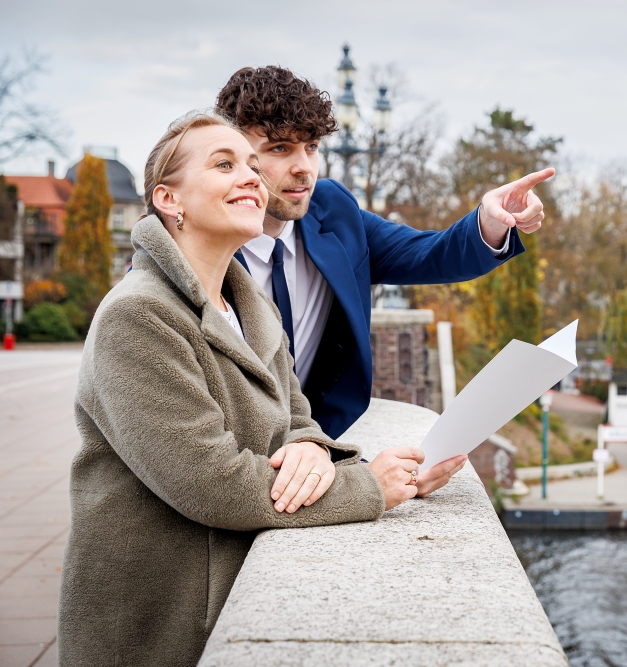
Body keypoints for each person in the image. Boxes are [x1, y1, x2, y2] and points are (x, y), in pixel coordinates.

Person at [59, 114, 425, 667]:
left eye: (253, 165)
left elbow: (297, 420)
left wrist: (312, 448)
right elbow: (213, 483)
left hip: (227, 596)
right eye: (225, 165)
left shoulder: (251, 307)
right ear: (169, 200)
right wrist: (368, 487)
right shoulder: (137, 317)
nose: (252, 177)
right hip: (159, 626)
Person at [214, 67, 554, 497]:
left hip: (318, 448)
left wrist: (489, 221)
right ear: (230, 155)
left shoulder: (333, 210)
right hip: (233, 466)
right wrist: (365, 483)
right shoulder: (193, 246)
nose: (304, 168)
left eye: (312, 147)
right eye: (280, 148)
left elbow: (427, 255)